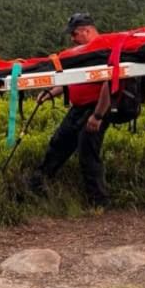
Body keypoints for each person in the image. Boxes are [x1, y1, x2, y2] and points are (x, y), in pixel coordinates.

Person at [27, 12, 115, 208]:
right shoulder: (84, 54)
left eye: (75, 34)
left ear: (87, 30)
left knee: (87, 152)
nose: (72, 39)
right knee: (58, 143)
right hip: (79, 107)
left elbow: (110, 83)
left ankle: (100, 202)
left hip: (96, 109)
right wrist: (50, 94)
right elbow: (71, 80)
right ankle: (37, 187)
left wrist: (98, 116)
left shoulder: (103, 51)